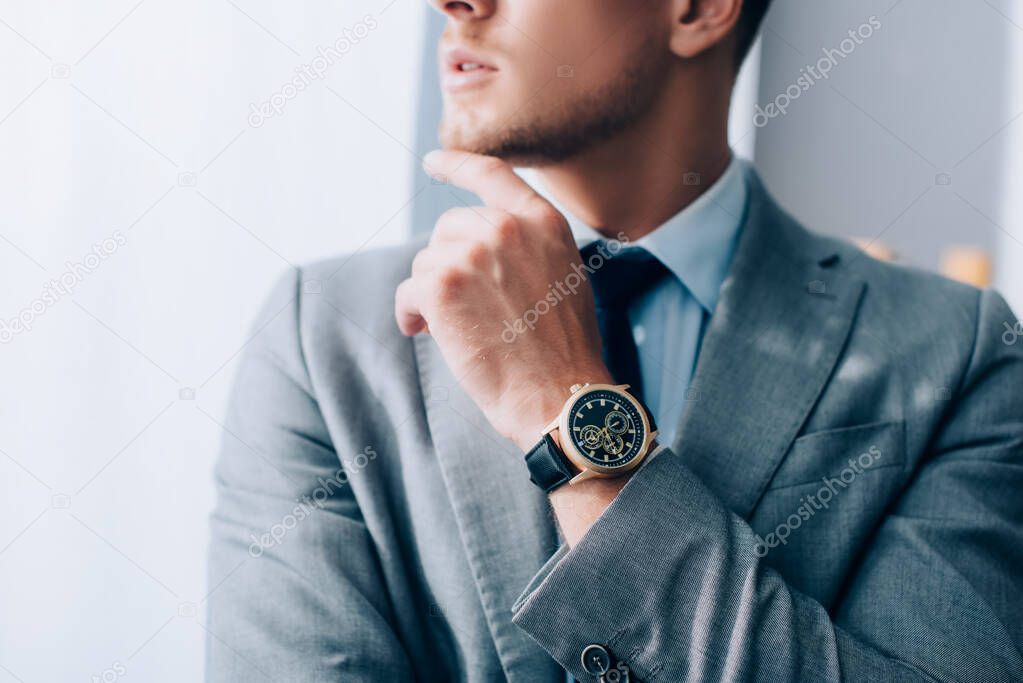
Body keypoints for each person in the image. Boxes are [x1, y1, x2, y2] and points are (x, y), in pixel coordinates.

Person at [206, 1, 1023, 680]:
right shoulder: (325, 332)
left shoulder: (957, 352)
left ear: (698, 9)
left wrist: (559, 406)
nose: (452, 3)